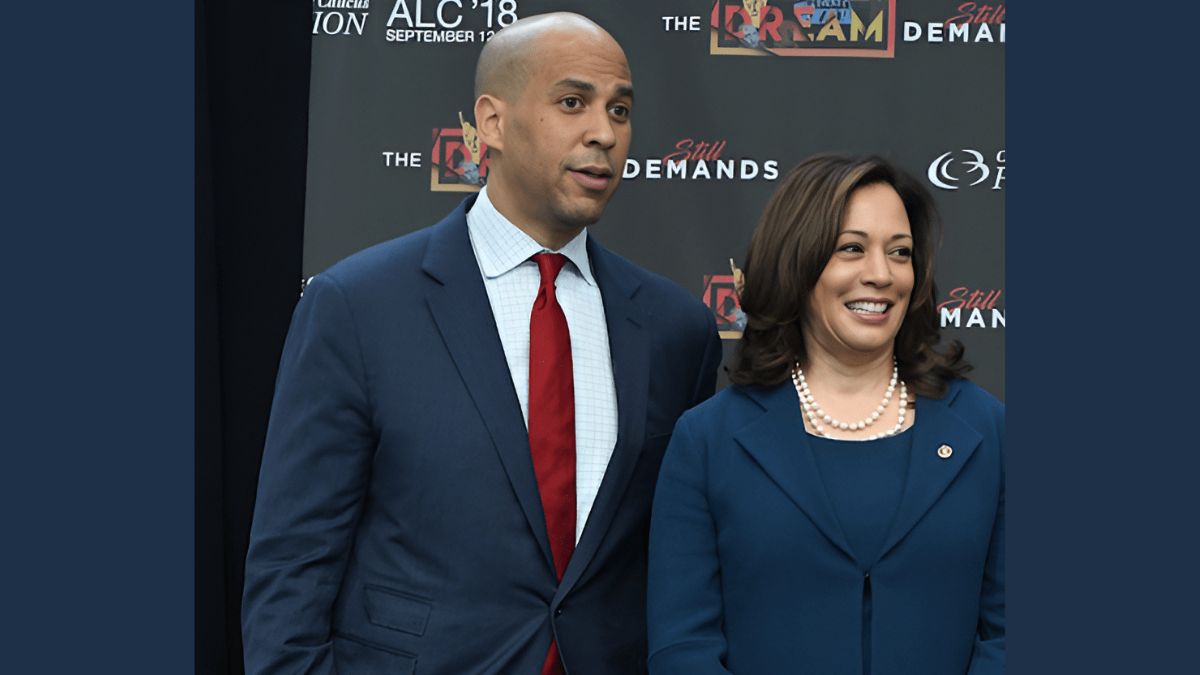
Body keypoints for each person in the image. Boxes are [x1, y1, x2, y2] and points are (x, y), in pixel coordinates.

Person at [241, 12, 723, 675]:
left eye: (620, 110)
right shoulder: (357, 306)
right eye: (573, 102)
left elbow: (680, 568)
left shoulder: (676, 329)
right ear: (491, 123)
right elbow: (291, 568)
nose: (604, 133)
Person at [646, 154, 1004, 675]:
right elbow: (682, 647)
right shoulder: (708, 441)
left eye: (900, 253)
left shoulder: (986, 429)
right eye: (851, 249)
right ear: (797, 261)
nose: (880, 275)